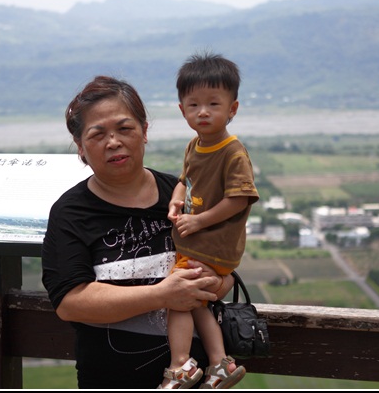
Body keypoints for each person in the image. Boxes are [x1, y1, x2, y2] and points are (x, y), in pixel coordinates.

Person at [41, 75, 238, 389]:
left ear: (144, 131)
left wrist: (216, 281)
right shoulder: (72, 213)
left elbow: (225, 264)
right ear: (81, 147)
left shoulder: (182, 193)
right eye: (97, 134)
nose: (113, 142)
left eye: (124, 128)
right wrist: (163, 294)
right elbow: (70, 301)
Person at [159, 53, 259, 389]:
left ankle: (180, 366)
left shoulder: (233, 152)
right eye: (194, 105)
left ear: (232, 109)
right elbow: (184, 181)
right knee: (196, 302)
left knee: (178, 300)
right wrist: (176, 200)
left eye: (213, 104)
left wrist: (199, 222)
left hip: (211, 246)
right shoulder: (194, 145)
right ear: (182, 110)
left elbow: (240, 198)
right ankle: (220, 363)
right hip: (199, 244)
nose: (203, 112)